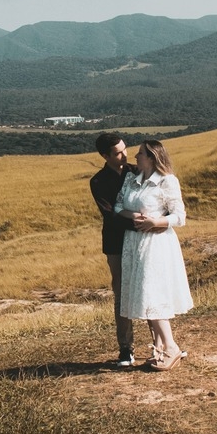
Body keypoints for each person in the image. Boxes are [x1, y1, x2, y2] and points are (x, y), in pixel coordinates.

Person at [115, 138, 193, 370]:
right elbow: (118, 206)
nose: (135, 156)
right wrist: (133, 216)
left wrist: (155, 221)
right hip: (134, 243)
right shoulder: (131, 179)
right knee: (143, 292)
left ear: (151, 157)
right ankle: (159, 350)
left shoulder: (167, 181)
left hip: (157, 243)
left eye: (140, 153)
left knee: (151, 293)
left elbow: (179, 216)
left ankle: (171, 347)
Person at [88, 130, 136, 367]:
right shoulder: (97, 181)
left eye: (125, 149)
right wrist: (140, 223)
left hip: (140, 240)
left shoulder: (137, 171)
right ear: (105, 156)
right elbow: (109, 214)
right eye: (118, 153)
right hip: (116, 242)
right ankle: (125, 348)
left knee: (147, 288)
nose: (125, 155)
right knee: (121, 294)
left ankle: (160, 342)